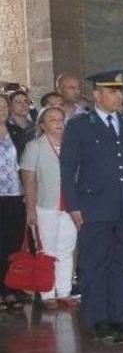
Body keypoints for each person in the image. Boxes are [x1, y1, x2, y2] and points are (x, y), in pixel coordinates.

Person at [60, 70, 123, 343]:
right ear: (96, 95)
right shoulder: (79, 125)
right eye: (111, 91)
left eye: (119, 91)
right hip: (95, 207)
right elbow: (68, 169)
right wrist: (74, 206)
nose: (118, 96)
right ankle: (98, 320)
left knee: (121, 263)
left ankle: (120, 318)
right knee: (95, 264)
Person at [21, 106, 78, 309]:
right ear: (42, 125)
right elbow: (29, 180)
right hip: (45, 206)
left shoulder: (72, 145)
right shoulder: (34, 146)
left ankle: (64, 292)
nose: (58, 123)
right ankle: (48, 294)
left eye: (61, 119)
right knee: (47, 250)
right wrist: (30, 209)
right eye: (52, 119)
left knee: (66, 250)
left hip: (70, 207)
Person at [0, 94, 28, 310]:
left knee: (13, 242)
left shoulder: (16, 132)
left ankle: (11, 286)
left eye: (3, 106)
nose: (1, 109)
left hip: (15, 195)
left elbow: (24, 162)